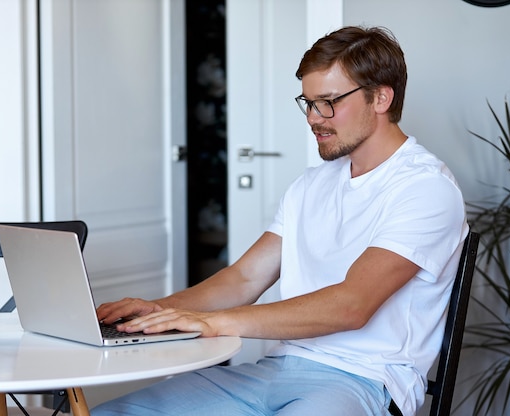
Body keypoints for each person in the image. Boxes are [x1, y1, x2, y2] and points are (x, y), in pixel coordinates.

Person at [90, 25, 468, 416]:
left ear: (381, 98)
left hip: (363, 381)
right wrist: (157, 312)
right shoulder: (311, 184)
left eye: (328, 102)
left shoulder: (425, 189)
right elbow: (244, 278)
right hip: (273, 371)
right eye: (307, 103)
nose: (313, 118)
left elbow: (351, 306)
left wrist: (214, 323)